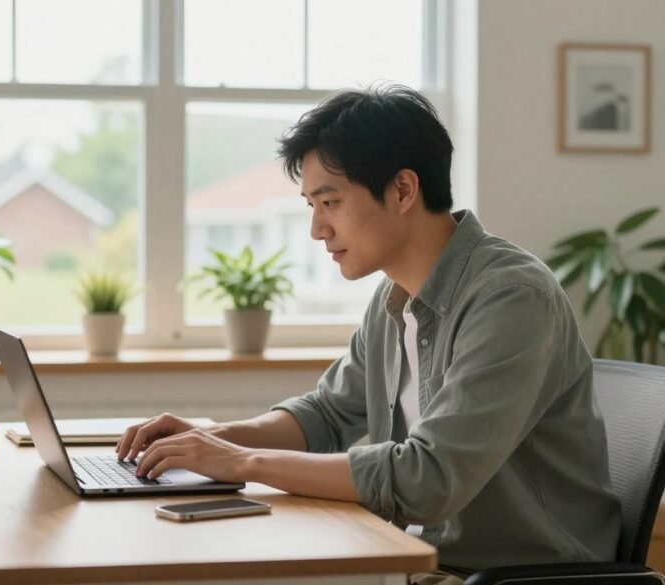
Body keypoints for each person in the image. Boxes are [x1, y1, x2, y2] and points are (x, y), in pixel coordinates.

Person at [116, 85, 621, 584]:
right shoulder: (392, 299)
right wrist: (209, 440)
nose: (317, 229)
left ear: (403, 190)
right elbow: (328, 414)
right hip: (410, 558)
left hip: (511, 577)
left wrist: (243, 461)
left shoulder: (511, 297)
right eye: (311, 205)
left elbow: (428, 480)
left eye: (330, 202)